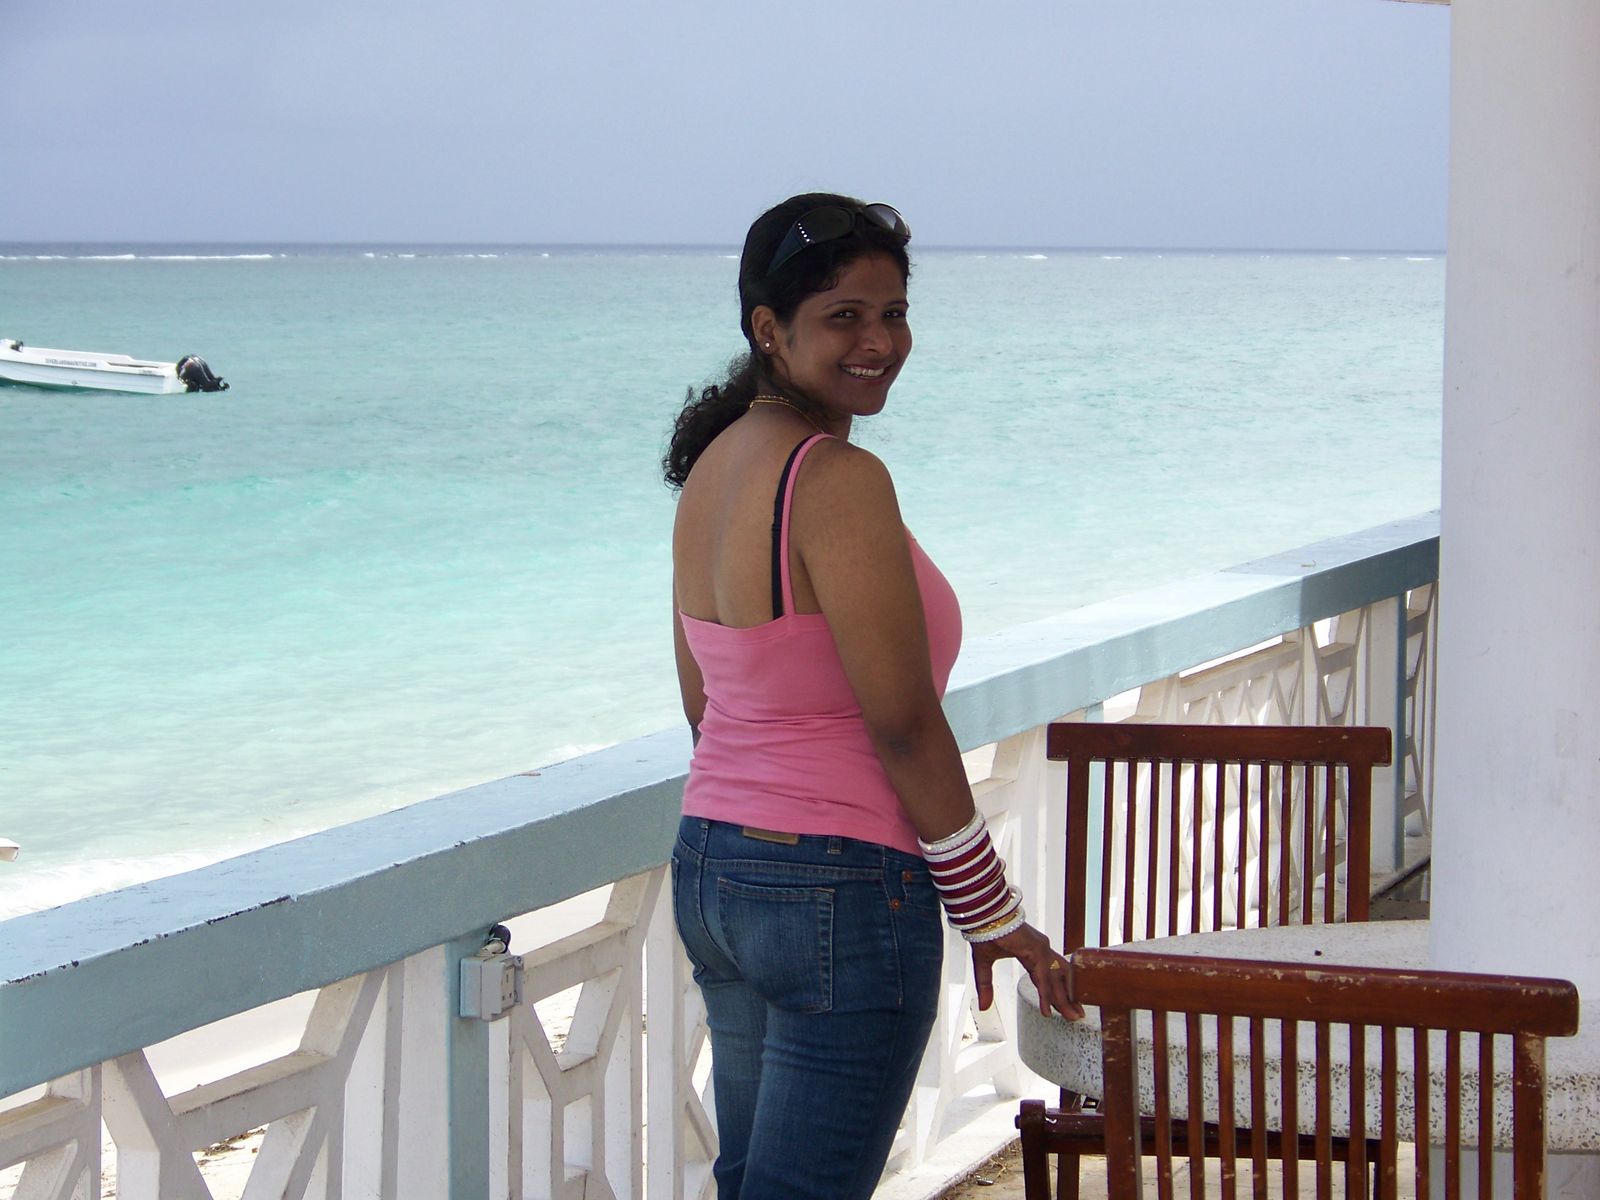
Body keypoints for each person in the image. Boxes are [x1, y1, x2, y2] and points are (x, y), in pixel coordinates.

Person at [664, 193, 1080, 1200]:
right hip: (834, 889)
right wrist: (992, 912)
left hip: (715, 869)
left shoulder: (711, 470)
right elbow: (901, 723)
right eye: (843, 316)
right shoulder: (837, 478)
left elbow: (704, 707)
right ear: (769, 330)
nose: (880, 342)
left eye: (893, 313)